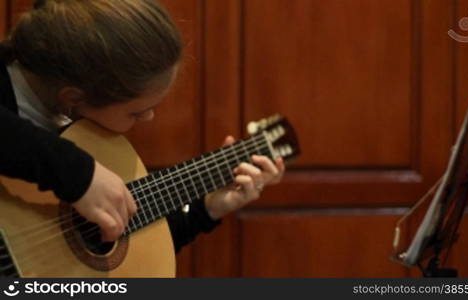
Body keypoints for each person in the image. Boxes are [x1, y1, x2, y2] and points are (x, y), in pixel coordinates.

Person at [0, 0, 285, 253]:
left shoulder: (80, 126)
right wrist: (80, 174)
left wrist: (208, 208)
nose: (149, 118)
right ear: (73, 98)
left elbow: (110, 254)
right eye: (137, 112)